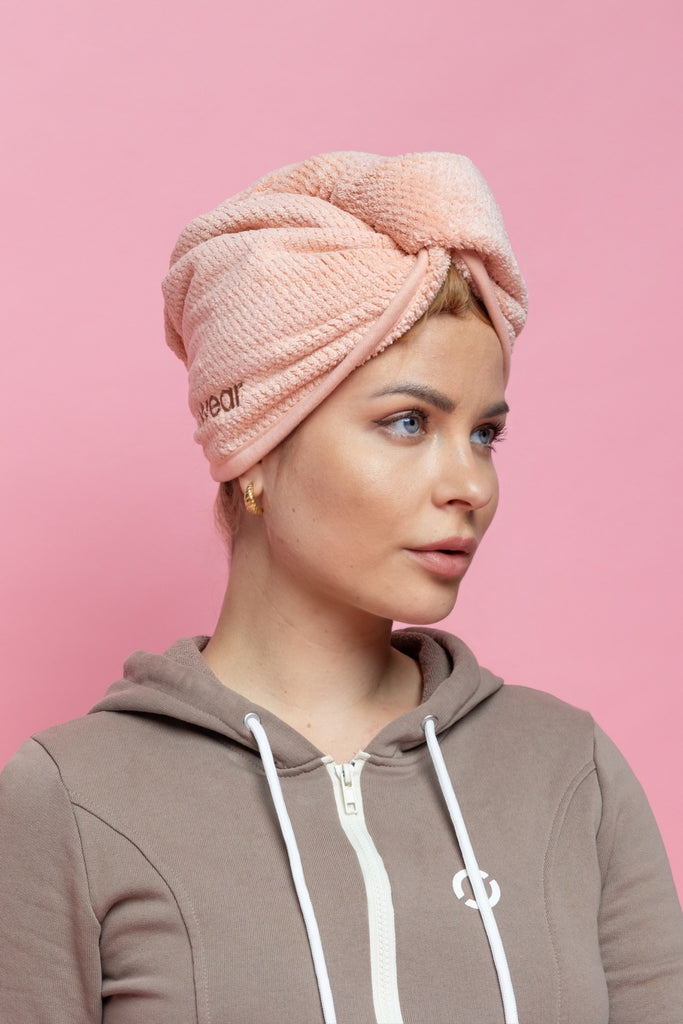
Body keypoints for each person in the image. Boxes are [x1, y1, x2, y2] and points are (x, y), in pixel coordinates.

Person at [0, 152, 681, 1024]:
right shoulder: (71, 798)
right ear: (255, 450)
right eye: (407, 422)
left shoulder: (567, 771)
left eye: (484, 435)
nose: (469, 485)